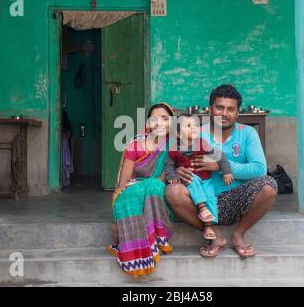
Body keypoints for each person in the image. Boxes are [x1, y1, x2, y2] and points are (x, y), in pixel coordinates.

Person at [165, 85, 277, 258]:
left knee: (269, 186)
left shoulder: (247, 133)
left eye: (230, 109)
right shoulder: (195, 133)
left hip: (238, 199)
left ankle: (238, 234)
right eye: (219, 107)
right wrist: (178, 170)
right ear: (210, 109)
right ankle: (215, 234)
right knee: (173, 191)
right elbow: (173, 159)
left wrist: (219, 166)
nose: (224, 113)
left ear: (237, 112)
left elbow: (260, 169)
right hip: (200, 201)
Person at [107, 103, 176, 277]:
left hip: (159, 194)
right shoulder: (135, 146)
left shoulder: (175, 144)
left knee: (153, 186)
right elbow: (123, 182)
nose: (159, 123)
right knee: (131, 194)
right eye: (154, 119)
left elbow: (162, 179)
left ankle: (158, 237)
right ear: (147, 123)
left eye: (165, 119)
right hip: (136, 187)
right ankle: (136, 254)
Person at [164, 114, 233, 240]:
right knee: (192, 179)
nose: (194, 128)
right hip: (189, 181)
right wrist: (172, 176)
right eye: (188, 126)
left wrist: (227, 172)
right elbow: (168, 165)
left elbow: (220, 156)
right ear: (178, 135)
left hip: (206, 181)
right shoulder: (175, 150)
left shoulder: (203, 143)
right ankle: (202, 207)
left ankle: (209, 226)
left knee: (211, 199)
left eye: (196, 125)